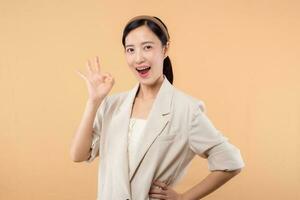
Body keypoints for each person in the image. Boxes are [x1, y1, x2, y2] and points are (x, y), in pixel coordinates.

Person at [70, 15, 245, 200]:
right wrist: (93, 102)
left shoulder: (187, 109)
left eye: (147, 47)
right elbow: (78, 154)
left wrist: (183, 198)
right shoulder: (112, 104)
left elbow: (231, 161)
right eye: (130, 50)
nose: (138, 58)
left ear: (165, 48)